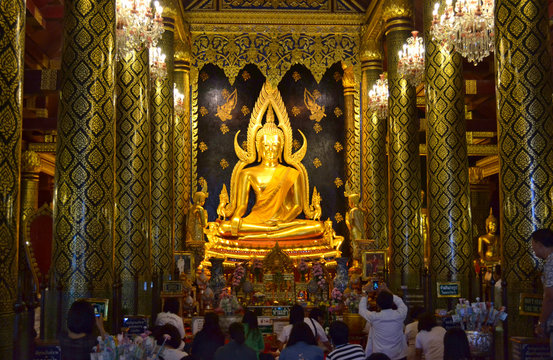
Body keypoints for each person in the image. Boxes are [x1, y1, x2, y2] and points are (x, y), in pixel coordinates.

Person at [216, 105, 324, 240]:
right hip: (256, 222)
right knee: (224, 228)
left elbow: (297, 206)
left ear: (281, 148)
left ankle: (263, 235)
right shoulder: (247, 173)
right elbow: (242, 206)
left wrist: (282, 222)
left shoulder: (292, 172)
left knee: (318, 227)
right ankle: (270, 233)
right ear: (259, 148)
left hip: (285, 222)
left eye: (275, 145)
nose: (271, 149)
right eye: (266, 145)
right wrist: (237, 217)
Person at [359, 282, 408, 360]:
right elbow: (400, 302)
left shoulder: (374, 317)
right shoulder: (400, 315)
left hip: (380, 356)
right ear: (392, 303)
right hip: (399, 355)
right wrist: (387, 290)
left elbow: (361, 310)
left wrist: (365, 291)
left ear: (377, 305)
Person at [531, 228, 553, 357]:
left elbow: (550, 296)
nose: (533, 249)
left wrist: (541, 323)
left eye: (533, 245)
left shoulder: (551, 263)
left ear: (539, 244)